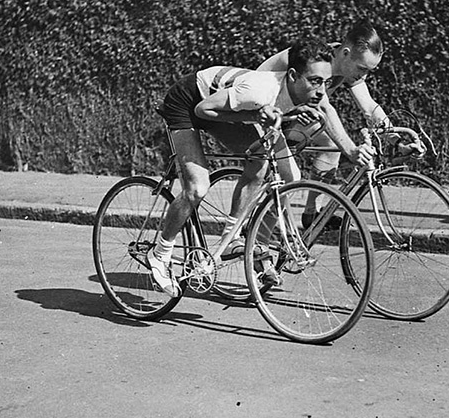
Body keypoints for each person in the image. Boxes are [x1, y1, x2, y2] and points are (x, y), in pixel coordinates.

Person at [147, 38, 372, 297]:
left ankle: (231, 238)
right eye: (315, 81)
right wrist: (255, 116)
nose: (322, 91)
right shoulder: (259, 90)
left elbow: (322, 110)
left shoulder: (306, 91)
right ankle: (160, 253)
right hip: (189, 103)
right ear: (293, 76)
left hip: (224, 105)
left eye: (326, 82)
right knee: (197, 188)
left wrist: (349, 150)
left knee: (276, 167)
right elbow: (203, 109)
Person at [258, 19, 425, 226]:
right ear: (345, 53)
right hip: (259, 116)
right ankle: (258, 236)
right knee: (289, 178)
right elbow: (325, 108)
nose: (364, 75)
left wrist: (397, 141)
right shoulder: (318, 61)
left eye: (369, 71)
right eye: (362, 68)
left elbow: (369, 106)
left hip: (286, 115)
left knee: (330, 145)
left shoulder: (344, 65)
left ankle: (312, 213)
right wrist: (352, 150)